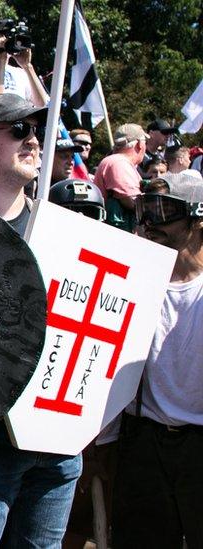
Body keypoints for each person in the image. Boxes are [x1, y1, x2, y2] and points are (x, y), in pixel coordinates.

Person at [0, 93, 82, 547]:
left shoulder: (63, 230)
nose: (33, 142)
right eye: (18, 130)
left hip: (59, 444)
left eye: (37, 131)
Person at [112, 173, 203, 549]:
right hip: (143, 439)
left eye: (164, 211)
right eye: (145, 209)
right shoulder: (132, 281)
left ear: (197, 219)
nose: (150, 222)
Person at [94, 124, 148, 232]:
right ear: (139, 144)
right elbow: (130, 201)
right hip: (115, 236)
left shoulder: (117, 161)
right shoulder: (119, 163)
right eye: (145, 142)